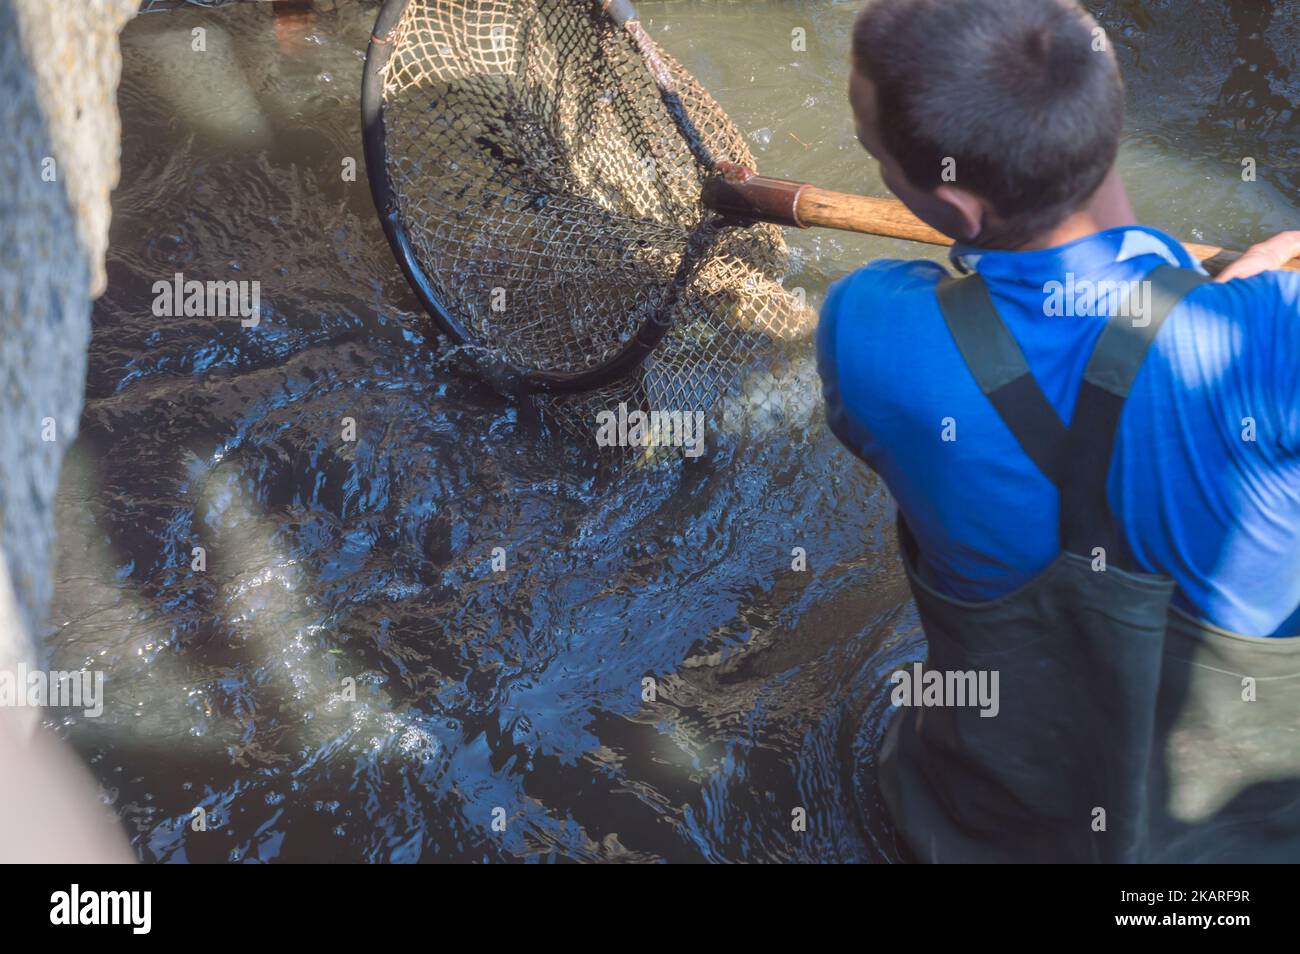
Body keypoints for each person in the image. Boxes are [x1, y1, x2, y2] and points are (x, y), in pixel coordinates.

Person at [818, 0, 1300, 861]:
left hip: (970, 834)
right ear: (1109, 109)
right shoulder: (1273, 340)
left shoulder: (864, 330)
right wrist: (1232, 299)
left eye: (872, 152)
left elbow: (973, 315)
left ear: (958, 205)